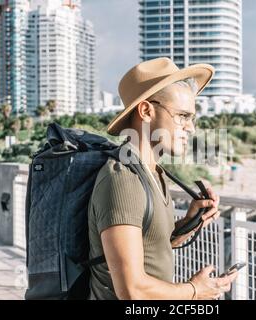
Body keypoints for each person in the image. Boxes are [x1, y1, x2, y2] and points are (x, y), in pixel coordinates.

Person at [88, 58, 238, 300]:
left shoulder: (154, 173)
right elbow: (131, 291)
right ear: (146, 111)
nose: (191, 128)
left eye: (192, 118)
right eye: (182, 116)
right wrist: (195, 291)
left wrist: (191, 221)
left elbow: (151, 246)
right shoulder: (123, 181)